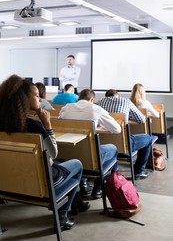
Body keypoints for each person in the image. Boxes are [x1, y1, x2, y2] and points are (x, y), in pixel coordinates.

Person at [0, 74, 89, 230]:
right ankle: (62, 217)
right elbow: (53, 153)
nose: (40, 99)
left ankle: (78, 203)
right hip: (40, 184)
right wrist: (47, 124)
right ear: (24, 100)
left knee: (61, 163)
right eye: (36, 95)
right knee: (77, 164)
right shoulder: (33, 126)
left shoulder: (3, 124)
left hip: (7, 182)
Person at [59, 88, 121, 198]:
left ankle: (83, 184)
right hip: (90, 157)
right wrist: (98, 125)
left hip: (68, 155)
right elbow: (117, 129)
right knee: (113, 149)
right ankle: (100, 188)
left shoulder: (66, 108)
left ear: (79, 98)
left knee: (80, 151)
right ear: (92, 99)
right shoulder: (95, 109)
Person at [96, 89, 153, 179]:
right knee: (148, 139)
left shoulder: (98, 103)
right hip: (123, 144)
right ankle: (138, 172)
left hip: (104, 144)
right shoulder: (126, 101)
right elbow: (141, 119)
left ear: (106, 96)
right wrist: (127, 116)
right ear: (118, 95)